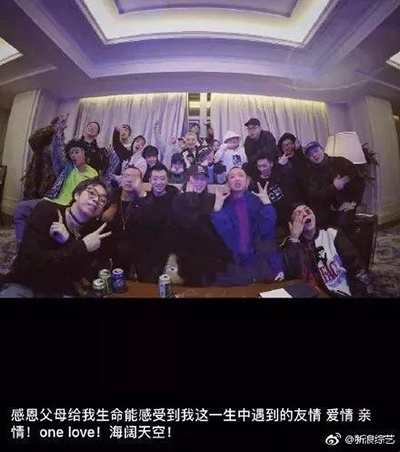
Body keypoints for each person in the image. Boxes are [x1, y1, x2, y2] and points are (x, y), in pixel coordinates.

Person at [0, 178, 111, 298]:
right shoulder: (47, 210)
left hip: (58, 288)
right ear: (77, 195)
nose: (96, 199)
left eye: (102, 200)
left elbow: (80, 275)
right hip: (26, 283)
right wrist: (82, 246)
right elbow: (29, 263)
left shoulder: (94, 232)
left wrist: (68, 240)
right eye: (92, 193)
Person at [14, 116, 100, 244]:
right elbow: (57, 153)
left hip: (69, 206)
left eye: (76, 152)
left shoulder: (93, 173)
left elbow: (94, 193)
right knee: (21, 208)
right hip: (52, 200)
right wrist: (59, 132)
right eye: (71, 153)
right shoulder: (67, 167)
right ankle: (21, 244)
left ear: (84, 154)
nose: (73, 155)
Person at [210, 167, 284, 286]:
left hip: (258, 262)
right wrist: (217, 210)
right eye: (232, 177)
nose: (237, 179)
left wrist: (267, 204)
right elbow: (223, 234)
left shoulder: (257, 201)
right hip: (233, 265)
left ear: (247, 181)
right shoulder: (223, 203)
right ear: (228, 183)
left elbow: (266, 232)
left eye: (240, 175)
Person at [281, 204, 371, 297]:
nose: (305, 214)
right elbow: (293, 278)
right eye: (299, 214)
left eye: (307, 210)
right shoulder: (289, 246)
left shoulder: (332, 234)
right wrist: (294, 238)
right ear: (291, 224)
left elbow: (356, 267)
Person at [172, 164, 233, 286]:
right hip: (188, 256)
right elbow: (190, 224)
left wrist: (217, 211)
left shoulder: (211, 199)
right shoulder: (178, 200)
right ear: (188, 179)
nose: (199, 182)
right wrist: (191, 196)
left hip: (210, 256)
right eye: (196, 178)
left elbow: (215, 230)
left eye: (203, 179)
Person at [131, 163, 180, 283]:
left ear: (167, 180)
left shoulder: (173, 197)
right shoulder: (144, 197)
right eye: (155, 178)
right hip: (145, 247)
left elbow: (159, 217)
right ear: (149, 180)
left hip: (165, 248)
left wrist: (142, 194)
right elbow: (138, 219)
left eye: (162, 178)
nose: (159, 182)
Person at [304, 141, 365, 232]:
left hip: (344, 205)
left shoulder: (341, 162)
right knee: (315, 222)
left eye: (316, 150)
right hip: (324, 208)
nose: (314, 155)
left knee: (342, 222)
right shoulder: (311, 172)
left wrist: (353, 203)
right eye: (310, 154)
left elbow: (359, 181)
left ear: (322, 149)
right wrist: (334, 187)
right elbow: (314, 195)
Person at [247, 150, 305, 240]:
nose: (262, 169)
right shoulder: (256, 184)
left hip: (290, 213)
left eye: (264, 166)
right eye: (259, 166)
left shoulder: (279, 174)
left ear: (271, 164)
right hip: (275, 222)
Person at [101, 165, 147, 277]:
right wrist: (112, 207)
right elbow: (103, 219)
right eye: (126, 176)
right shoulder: (113, 196)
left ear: (140, 182)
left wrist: (142, 193)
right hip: (115, 247)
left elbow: (150, 218)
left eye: (134, 177)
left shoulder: (143, 200)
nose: (129, 180)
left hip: (140, 247)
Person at [21, 116, 60, 200]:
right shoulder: (45, 136)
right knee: (29, 199)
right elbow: (32, 139)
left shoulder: (59, 141)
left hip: (49, 180)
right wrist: (52, 128)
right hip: (36, 173)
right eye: (59, 122)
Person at [277, 132, 309, 202]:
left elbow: (304, 170)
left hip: (308, 191)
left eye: (291, 143)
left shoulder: (302, 154)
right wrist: (280, 165)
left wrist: (298, 151)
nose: (289, 147)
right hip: (293, 197)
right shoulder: (280, 162)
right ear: (281, 148)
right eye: (285, 145)